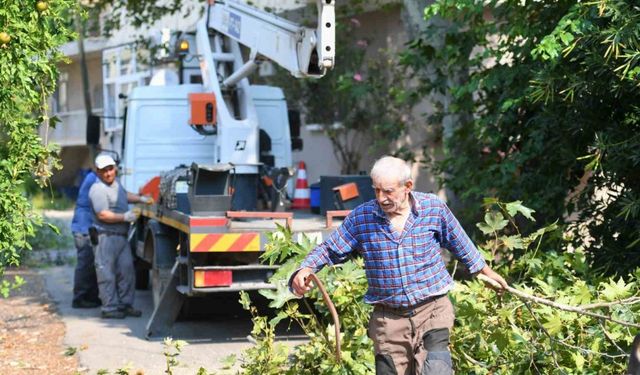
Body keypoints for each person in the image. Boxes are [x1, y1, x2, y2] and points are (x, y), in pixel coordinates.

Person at [291, 156, 508, 375]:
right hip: (389, 319)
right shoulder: (362, 218)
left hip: (432, 310)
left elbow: (461, 243)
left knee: (436, 370)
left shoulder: (433, 209)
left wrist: (486, 272)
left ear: (407, 187)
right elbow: (330, 249)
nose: (381, 198)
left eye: (388, 191)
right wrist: (306, 269)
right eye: (376, 190)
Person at [89, 154, 153, 319]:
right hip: (106, 237)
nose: (108, 173)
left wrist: (141, 198)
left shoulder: (116, 185)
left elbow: (125, 195)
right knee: (107, 274)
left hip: (121, 237)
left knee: (126, 272)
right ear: (97, 172)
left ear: (115, 168)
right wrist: (125, 217)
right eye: (104, 171)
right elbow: (103, 214)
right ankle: (109, 308)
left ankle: (125, 305)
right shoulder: (98, 189)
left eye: (110, 169)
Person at [70, 170, 101, 308]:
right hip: (83, 228)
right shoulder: (94, 180)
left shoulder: (93, 176)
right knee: (85, 265)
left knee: (91, 264)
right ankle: (79, 298)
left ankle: (91, 297)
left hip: (87, 227)